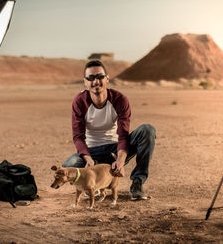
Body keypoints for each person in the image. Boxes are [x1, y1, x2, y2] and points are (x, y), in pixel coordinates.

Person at [62, 60, 156, 200]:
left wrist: (120, 160)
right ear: (85, 82)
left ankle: (137, 183)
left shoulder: (119, 99)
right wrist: (88, 160)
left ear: (107, 78)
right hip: (92, 152)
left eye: (100, 76)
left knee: (147, 130)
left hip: (115, 148)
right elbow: (78, 137)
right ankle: (92, 182)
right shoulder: (80, 101)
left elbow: (123, 135)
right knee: (68, 166)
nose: (96, 81)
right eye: (91, 78)